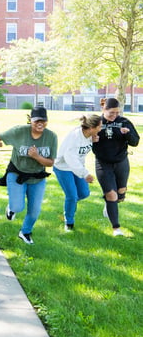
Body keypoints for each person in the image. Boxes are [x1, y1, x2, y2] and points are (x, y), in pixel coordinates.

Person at [0, 106, 58, 244]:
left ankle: (25, 232)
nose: (40, 124)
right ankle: (11, 208)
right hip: (16, 173)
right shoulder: (20, 131)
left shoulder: (51, 136)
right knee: (17, 207)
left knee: (34, 211)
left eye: (43, 121)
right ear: (31, 120)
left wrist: (37, 157)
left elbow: (50, 162)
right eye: (36, 121)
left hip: (37, 177)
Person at [92, 97, 139, 236]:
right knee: (111, 194)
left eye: (117, 112)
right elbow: (83, 139)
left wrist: (128, 134)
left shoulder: (124, 122)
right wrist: (91, 139)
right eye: (111, 112)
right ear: (103, 109)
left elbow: (135, 142)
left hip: (121, 162)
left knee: (120, 194)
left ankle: (109, 203)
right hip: (103, 163)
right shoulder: (96, 123)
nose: (114, 116)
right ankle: (116, 228)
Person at [53, 114, 102, 231]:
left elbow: (83, 149)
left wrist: (93, 140)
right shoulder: (75, 137)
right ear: (91, 128)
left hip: (77, 167)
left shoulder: (89, 135)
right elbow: (71, 159)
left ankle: (69, 204)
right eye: (99, 126)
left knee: (84, 193)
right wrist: (85, 174)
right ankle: (69, 223)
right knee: (72, 195)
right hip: (63, 167)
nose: (101, 129)